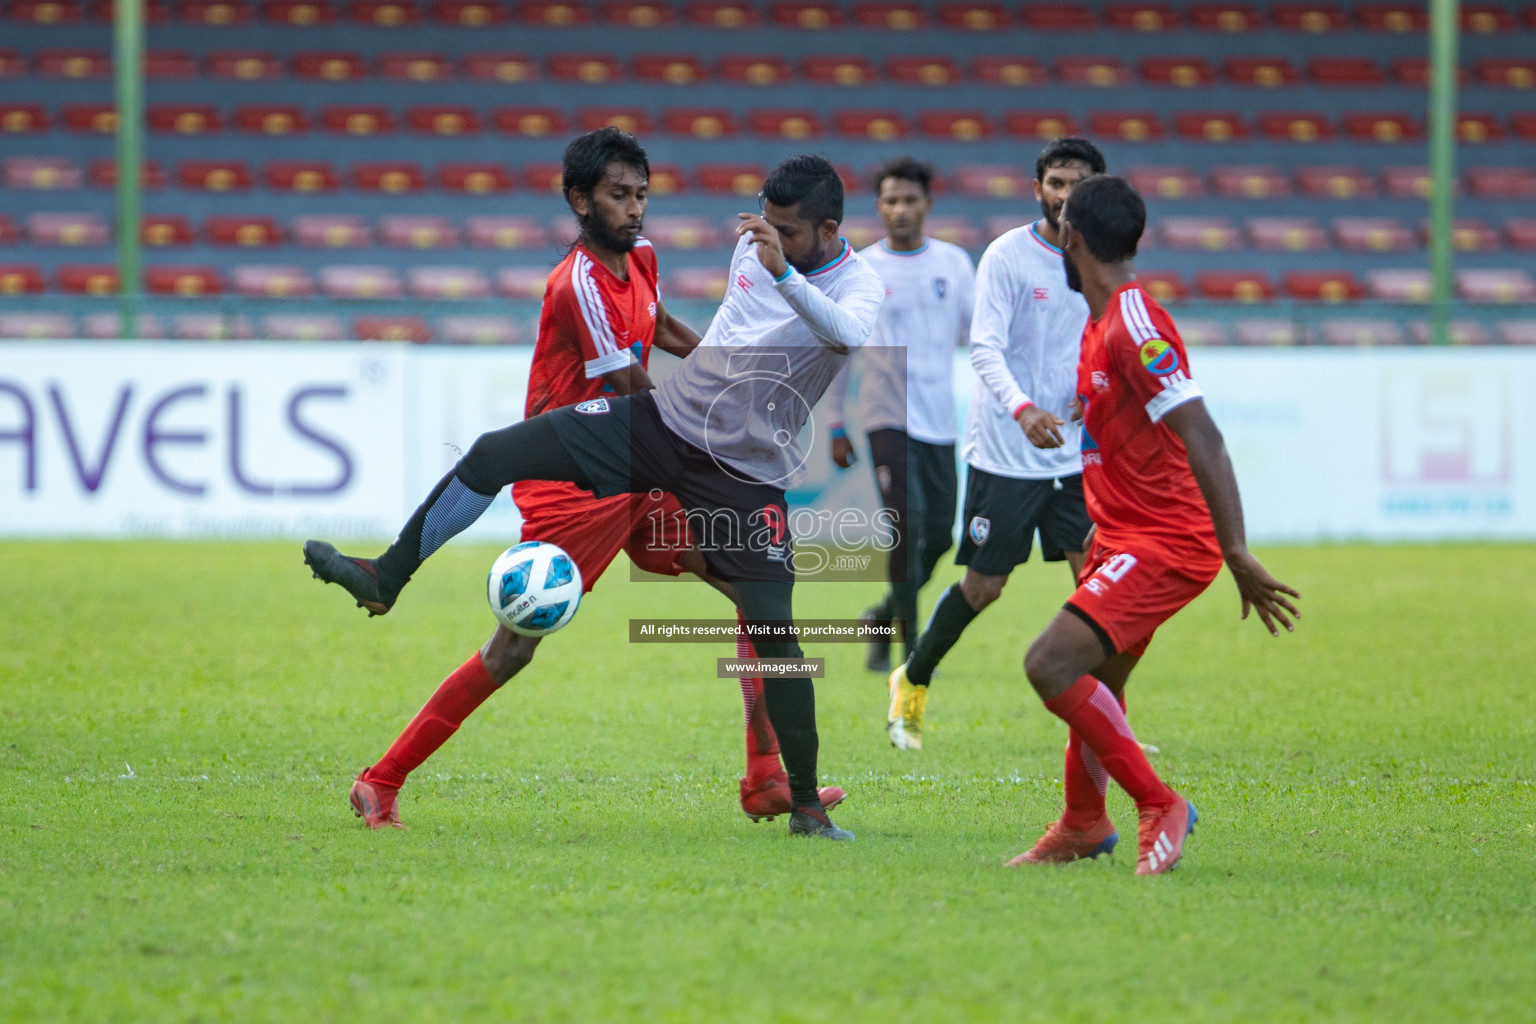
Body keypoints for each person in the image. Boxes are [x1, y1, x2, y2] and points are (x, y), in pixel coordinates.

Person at [305, 153, 884, 841]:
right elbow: (679, 356)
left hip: (740, 472)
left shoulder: (850, 284)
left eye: (787, 234)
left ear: (827, 228)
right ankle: (385, 581)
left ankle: (794, 801)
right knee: (496, 476)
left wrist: (775, 280)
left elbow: (843, 335)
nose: (768, 244)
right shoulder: (601, 277)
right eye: (620, 194)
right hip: (656, 438)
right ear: (583, 202)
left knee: (770, 624)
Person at [1008, 174, 1299, 874]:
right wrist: (1097, 528)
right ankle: (1082, 822)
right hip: (1123, 535)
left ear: (1071, 237)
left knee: (1049, 664)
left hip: (1168, 544)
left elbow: (1203, 434)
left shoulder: (1136, 323)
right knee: (1099, 682)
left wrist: (1237, 551)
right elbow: (1114, 437)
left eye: (1058, 220)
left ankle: (1157, 802)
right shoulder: (1100, 324)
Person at [885, 137, 1105, 752]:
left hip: (1073, 452)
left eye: (1076, 184)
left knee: (1095, 579)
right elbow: (984, 346)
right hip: (1006, 450)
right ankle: (914, 676)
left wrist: (1092, 390)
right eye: (1055, 183)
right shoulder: (1008, 255)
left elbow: (1097, 334)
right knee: (985, 587)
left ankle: (1108, 718)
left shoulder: (1099, 257)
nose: (1065, 195)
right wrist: (1024, 408)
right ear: (1038, 190)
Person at [825, 157, 973, 674]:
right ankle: (912, 655)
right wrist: (835, 425)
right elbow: (841, 347)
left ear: (928, 205)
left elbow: (977, 339)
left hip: (940, 418)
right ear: (879, 207)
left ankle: (882, 615)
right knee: (905, 529)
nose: (901, 209)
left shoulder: (954, 265)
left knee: (941, 536)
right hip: (885, 416)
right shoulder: (862, 269)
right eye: (891, 200)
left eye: (910, 200)